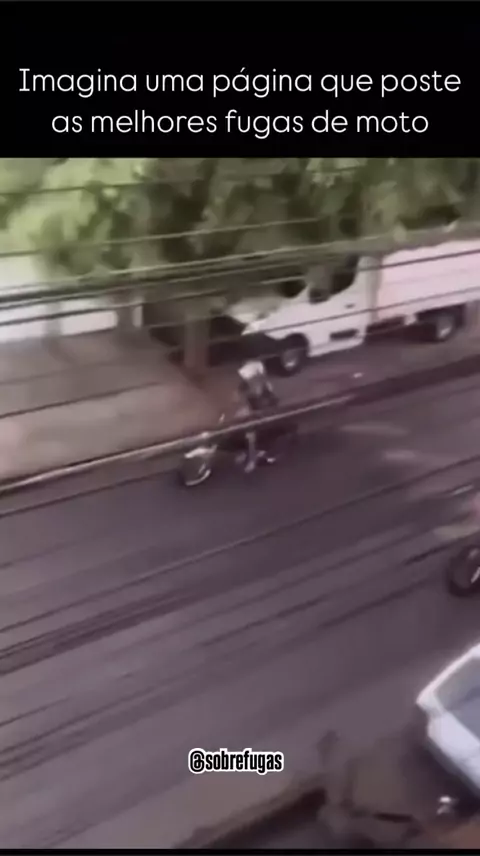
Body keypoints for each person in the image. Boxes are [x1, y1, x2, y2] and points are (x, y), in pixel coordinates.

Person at [237, 360, 278, 472]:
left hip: (263, 418)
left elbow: (266, 408)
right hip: (253, 414)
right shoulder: (246, 386)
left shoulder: (264, 390)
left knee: (250, 435)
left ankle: (252, 459)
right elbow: (240, 396)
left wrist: (251, 412)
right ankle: (244, 451)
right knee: (237, 425)